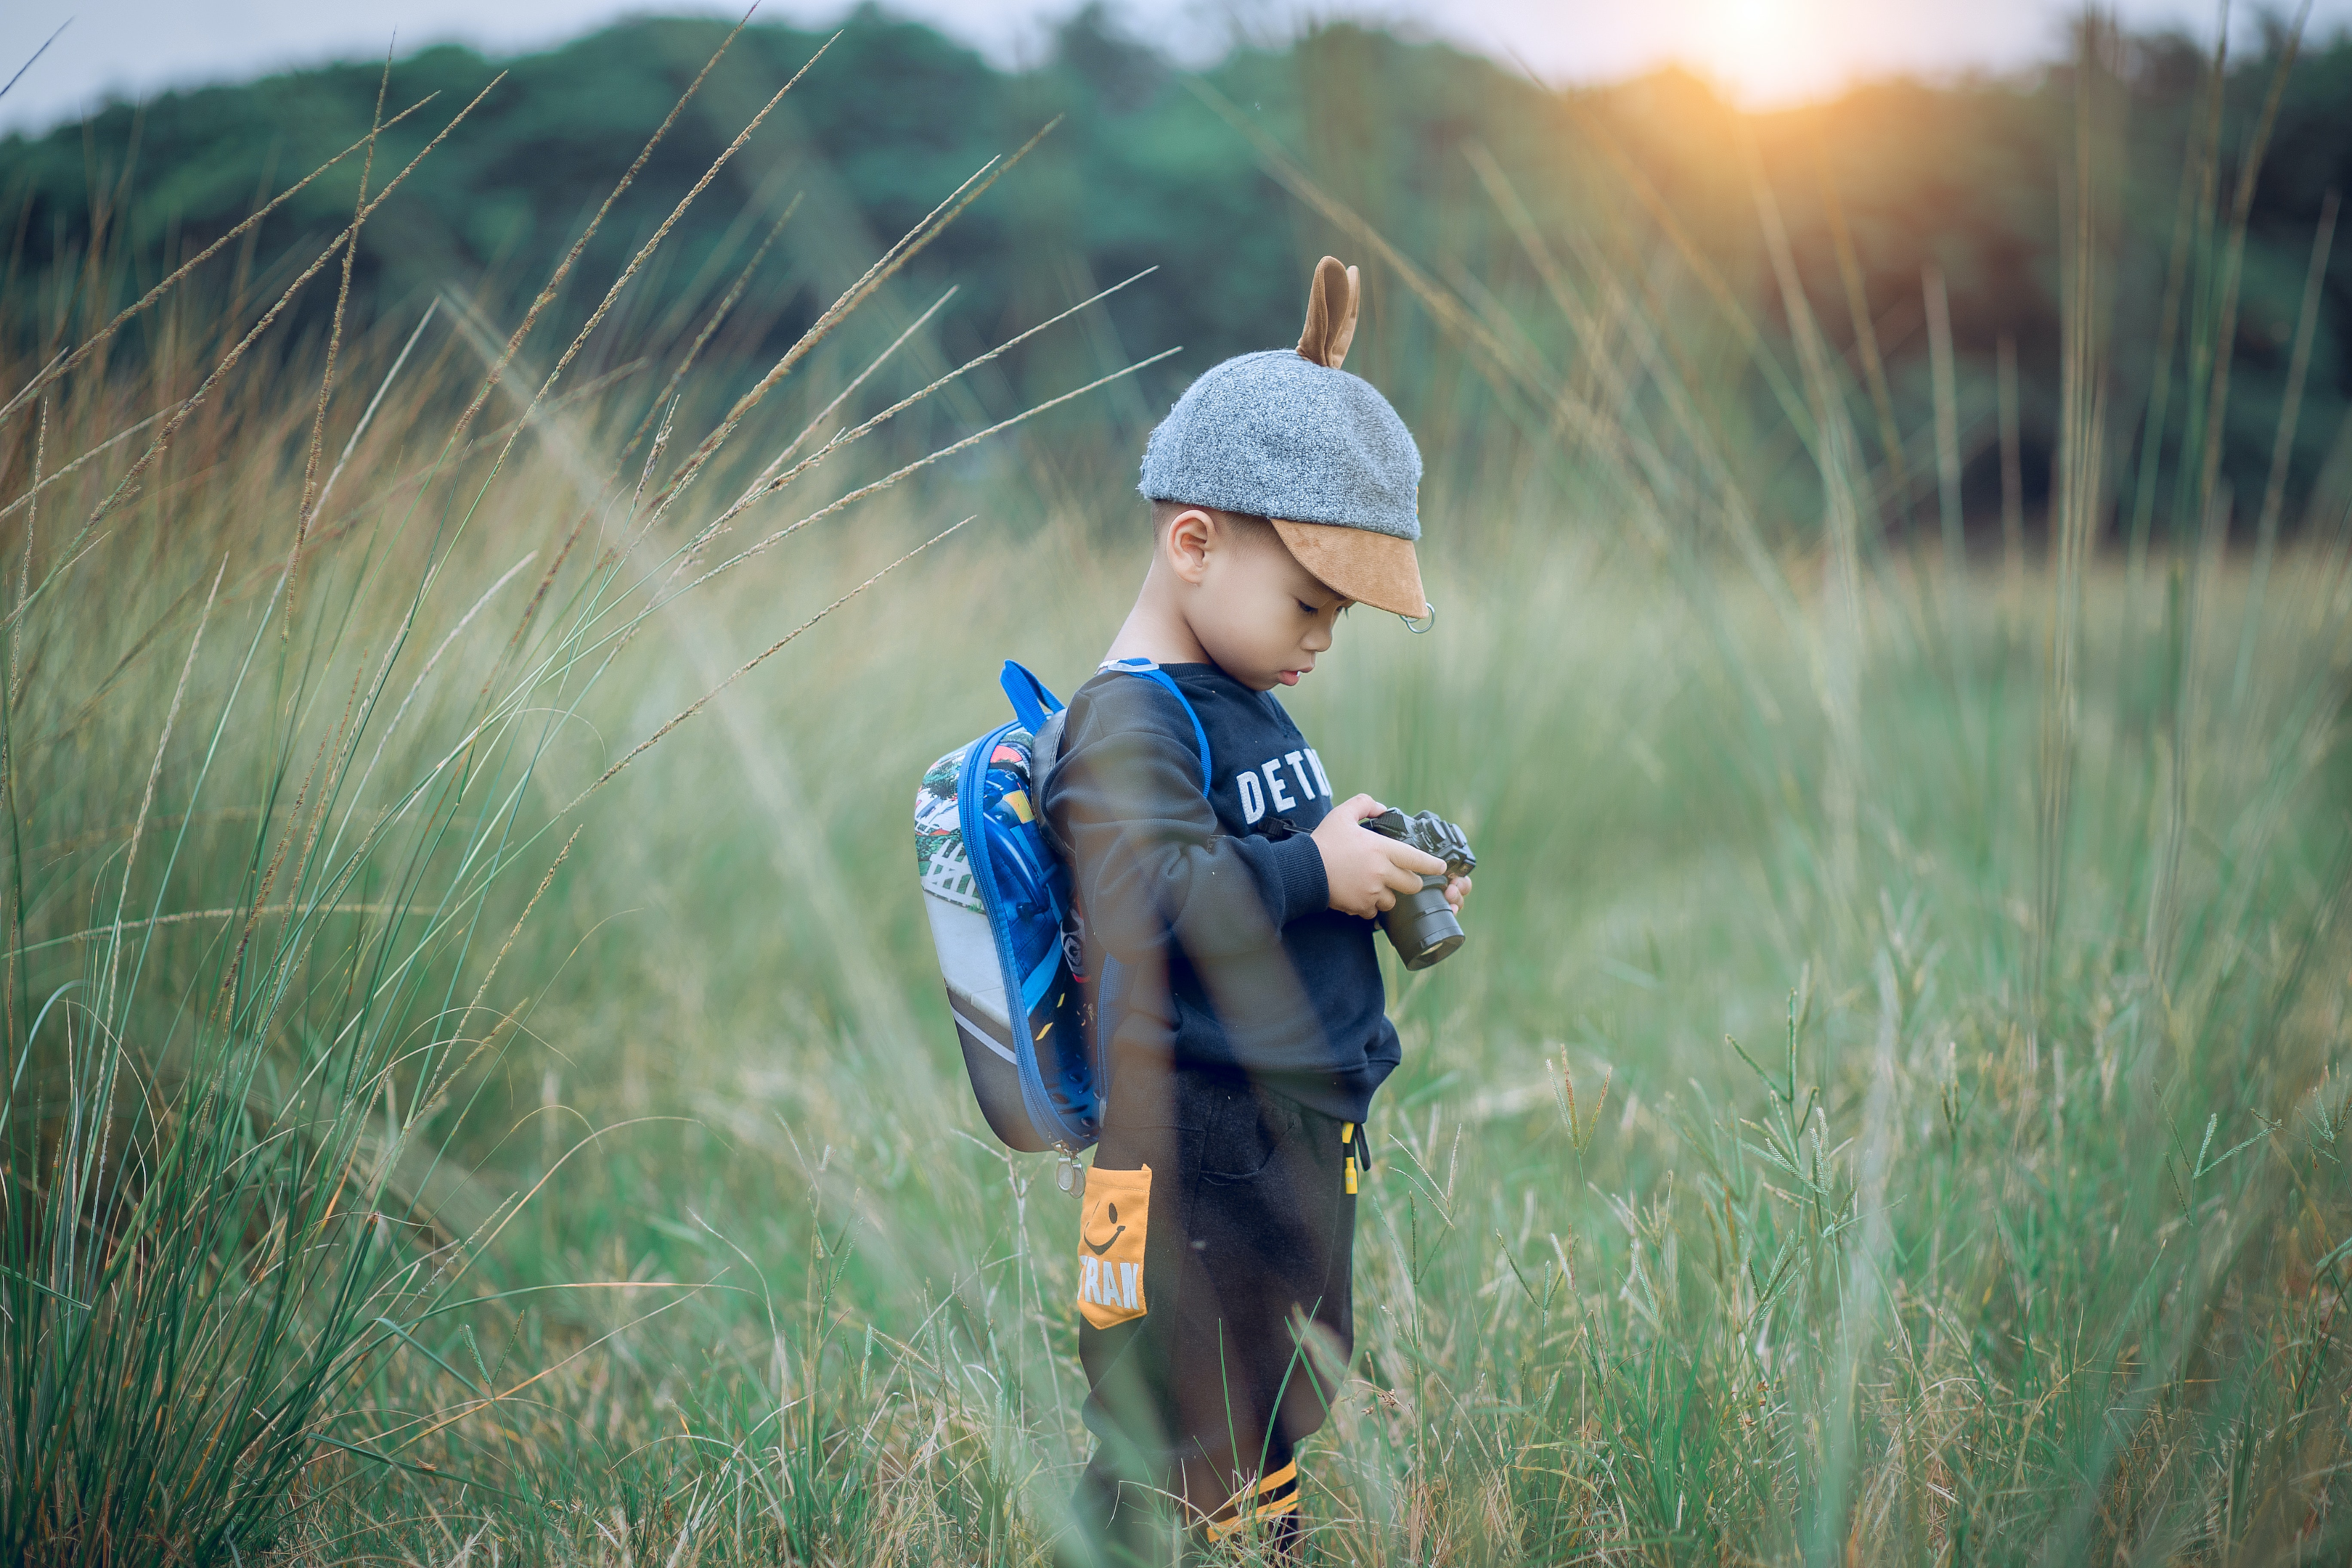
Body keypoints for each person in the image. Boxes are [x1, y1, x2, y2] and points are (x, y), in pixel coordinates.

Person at [1040, 256, 1471, 1565]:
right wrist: (1313, 872)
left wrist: (1368, 865)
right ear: (1194, 542)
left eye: (1337, 614)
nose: (1322, 640)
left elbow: (1248, 869)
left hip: (1273, 1137)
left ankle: (1243, 1541)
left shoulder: (1239, 698)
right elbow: (1155, 898)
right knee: (1185, 1418)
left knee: (1268, 1398)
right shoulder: (1127, 719)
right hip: (1187, 1148)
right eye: (1308, 601)